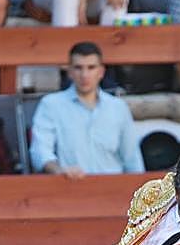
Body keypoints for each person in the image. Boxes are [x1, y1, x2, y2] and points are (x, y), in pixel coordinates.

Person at [29, 42, 144, 179]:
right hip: (69, 189)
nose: (84, 74)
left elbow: (132, 159)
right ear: (70, 71)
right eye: (78, 68)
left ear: (101, 72)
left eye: (91, 67)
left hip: (113, 192)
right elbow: (40, 151)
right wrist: (59, 171)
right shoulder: (51, 105)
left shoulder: (118, 107)